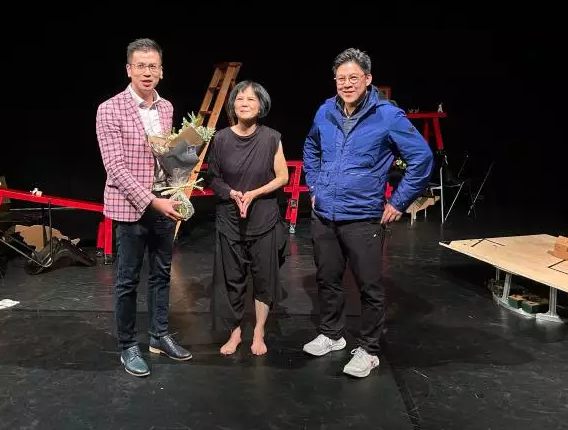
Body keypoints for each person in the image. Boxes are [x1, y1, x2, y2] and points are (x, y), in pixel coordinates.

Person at [302, 48, 433, 378]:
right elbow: (311, 148)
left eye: (353, 78)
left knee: (369, 287)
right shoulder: (325, 111)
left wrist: (399, 201)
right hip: (325, 215)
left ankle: (369, 349)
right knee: (327, 280)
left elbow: (422, 158)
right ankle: (332, 334)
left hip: (363, 217)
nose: (346, 84)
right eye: (341, 78)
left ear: (368, 79)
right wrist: (314, 186)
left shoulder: (387, 116)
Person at [96, 38, 192, 377]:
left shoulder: (166, 108)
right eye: (140, 66)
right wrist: (153, 201)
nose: (147, 72)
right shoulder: (110, 109)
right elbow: (116, 168)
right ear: (129, 70)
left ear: (161, 71)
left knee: (162, 274)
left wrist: (181, 176)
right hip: (132, 206)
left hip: (164, 202)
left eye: (153, 66)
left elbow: (166, 157)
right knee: (127, 280)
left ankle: (159, 335)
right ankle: (127, 345)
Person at [206, 80, 289, 356]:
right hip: (230, 218)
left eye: (251, 99)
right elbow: (213, 178)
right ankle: (235, 332)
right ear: (233, 104)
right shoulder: (220, 139)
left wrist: (254, 193)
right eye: (240, 99)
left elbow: (283, 177)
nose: (244, 103)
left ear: (261, 106)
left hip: (263, 217)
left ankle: (259, 331)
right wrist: (231, 193)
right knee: (232, 279)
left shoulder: (272, 138)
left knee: (264, 278)